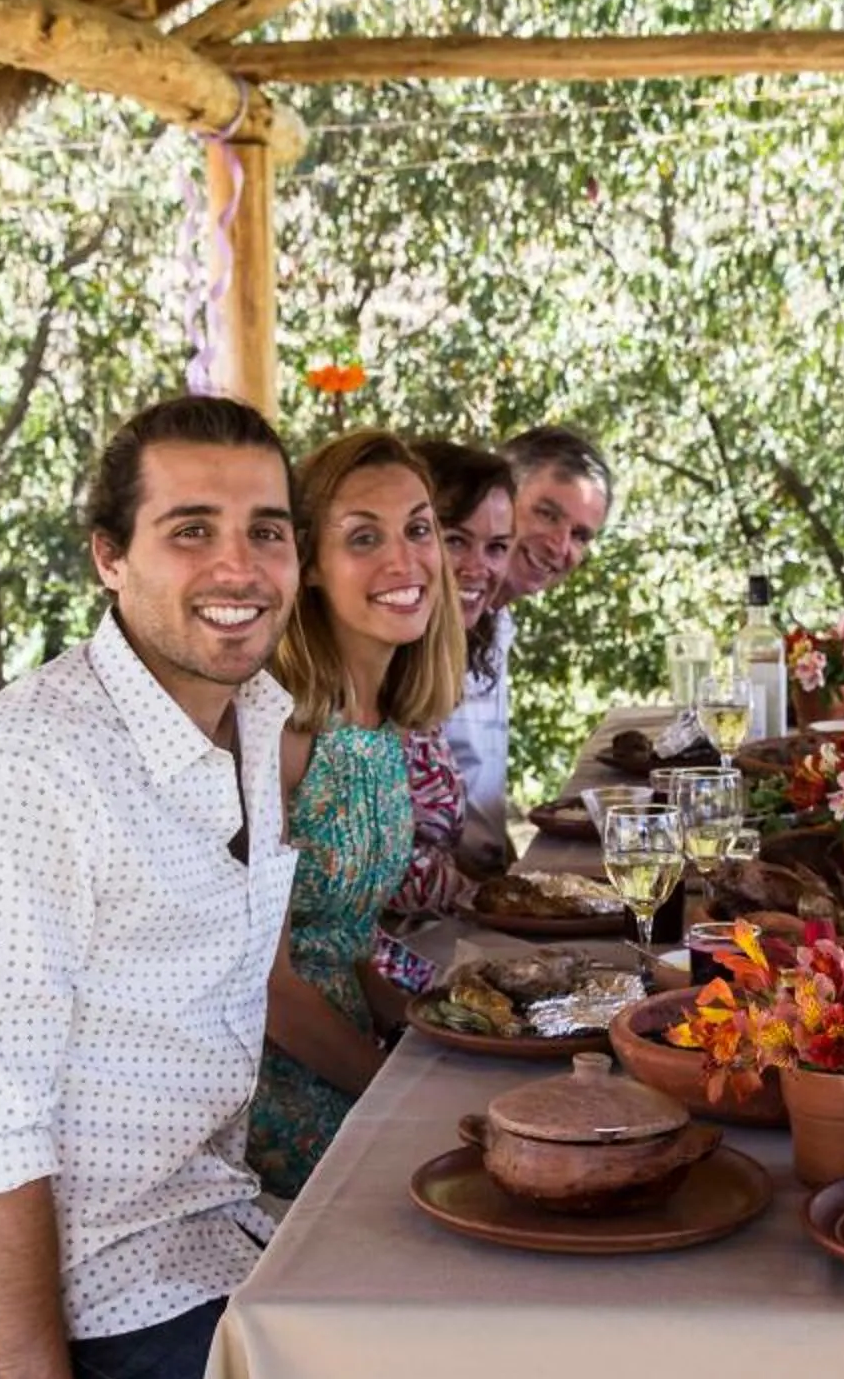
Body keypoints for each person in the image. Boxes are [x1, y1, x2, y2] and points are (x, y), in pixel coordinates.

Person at [0, 393, 298, 1379]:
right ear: (110, 556)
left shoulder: (255, 720)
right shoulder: (17, 774)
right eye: (191, 529)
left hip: (214, 1234)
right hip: (84, 1314)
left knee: (473, 1368)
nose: (240, 565)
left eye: (267, 530)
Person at [252, 432, 467, 1198]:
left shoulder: (375, 717)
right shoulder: (281, 725)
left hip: (348, 1039)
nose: (404, 562)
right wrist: (389, 1096)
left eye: (417, 529)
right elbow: (267, 985)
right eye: (363, 538)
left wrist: (446, 1033)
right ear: (309, 566)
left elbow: (339, 940)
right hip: (274, 1087)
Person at [439, 425, 614, 865]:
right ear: (499, 501)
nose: (560, 546)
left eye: (581, 535)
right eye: (548, 514)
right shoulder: (421, 626)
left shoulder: (498, 624)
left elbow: (477, 800)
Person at [389, 438, 516, 909]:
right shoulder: (370, 668)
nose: (478, 567)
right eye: (456, 540)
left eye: (497, 547)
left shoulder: (454, 652)